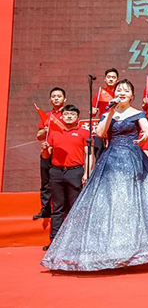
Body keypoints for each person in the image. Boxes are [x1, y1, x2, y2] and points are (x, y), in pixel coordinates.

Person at [41, 79, 148, 271]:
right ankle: (108, 249)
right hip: (111, 160)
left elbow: (147, 128)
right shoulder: (108, 113)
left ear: (132, 95)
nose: (122, 92)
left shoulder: (137, 113)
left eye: (126, 90)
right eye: (119, 90)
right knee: (110, 202)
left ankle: (136, 247)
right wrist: (110, 112)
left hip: (133, 159)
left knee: (132, 202)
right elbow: (100, 133)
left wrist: (145, 135)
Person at [39, 105, 91, 251]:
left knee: (74, 207)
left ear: (78, 118)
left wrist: (87, 173)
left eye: (72, 114)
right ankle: (54, 242)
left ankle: (74, 242)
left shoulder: (84, 133)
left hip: (75, 172)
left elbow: (89, 154)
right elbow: (46, 155)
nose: (69, 116)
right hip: (56, 172)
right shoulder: (54, 133)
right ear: (61, 117)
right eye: (66, 114)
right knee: (57, 208)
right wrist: (44, 149)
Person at [34, 87, 67, 220]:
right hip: (47, 152)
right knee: (46, 182)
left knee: (62, 182)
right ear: (50, 99)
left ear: (65, 99)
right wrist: (45, 130)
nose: (56, 98)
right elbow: (39, 136)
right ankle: (46, 209)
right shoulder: (47, 116)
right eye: (53, 96)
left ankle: (64, 209)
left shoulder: (69, 115)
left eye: (59, 96)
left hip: (63, 153)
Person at [91, 68, 118, 160]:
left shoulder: (120, 95)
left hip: (116, 124)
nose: (111, 79)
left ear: (117, 80)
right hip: (103, 125)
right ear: (105, 79)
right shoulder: (99, 94)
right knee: (99, 152)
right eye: (109, 77)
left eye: (113, 77)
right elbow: (93, 113)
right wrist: (93, 111)